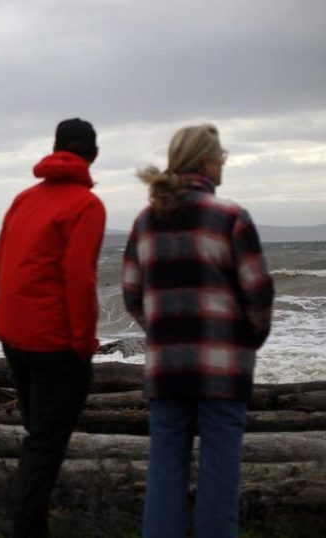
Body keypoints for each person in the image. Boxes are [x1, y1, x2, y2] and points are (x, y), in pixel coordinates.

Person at [123, 125, 274, 538]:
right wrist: (245, 341)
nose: (224, 160)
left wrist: (166, 333)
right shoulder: (230, 218)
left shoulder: (145, 223)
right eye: (220, 154)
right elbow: (259, 294)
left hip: (167, 369)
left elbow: (133, 295)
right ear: (206, 161)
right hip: (223, 371)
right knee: (219, 479)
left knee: (165, 476)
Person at [0, 118, 106, 538]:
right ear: (93, 154)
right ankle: (29, 529)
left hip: (13, 337)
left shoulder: (23, 200)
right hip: (55, 346)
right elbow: (80, 278)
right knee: (45, 444)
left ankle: (30, 520)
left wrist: (11, 321)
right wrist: (83, 344)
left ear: (54, 148)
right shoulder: (86, 205)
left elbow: (0, 268)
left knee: (37, 436)